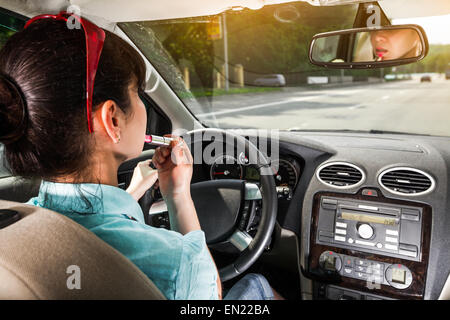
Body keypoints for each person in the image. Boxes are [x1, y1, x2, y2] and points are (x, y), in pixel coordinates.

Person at [0, 13, 281, 300]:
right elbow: (210, 292)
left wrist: (132, 192)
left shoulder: (17, 226)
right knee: (258, 286)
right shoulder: (177, 264)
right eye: (138, 92)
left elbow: (82, 225)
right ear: (112, 120)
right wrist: (179, 195)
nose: (142, 104)